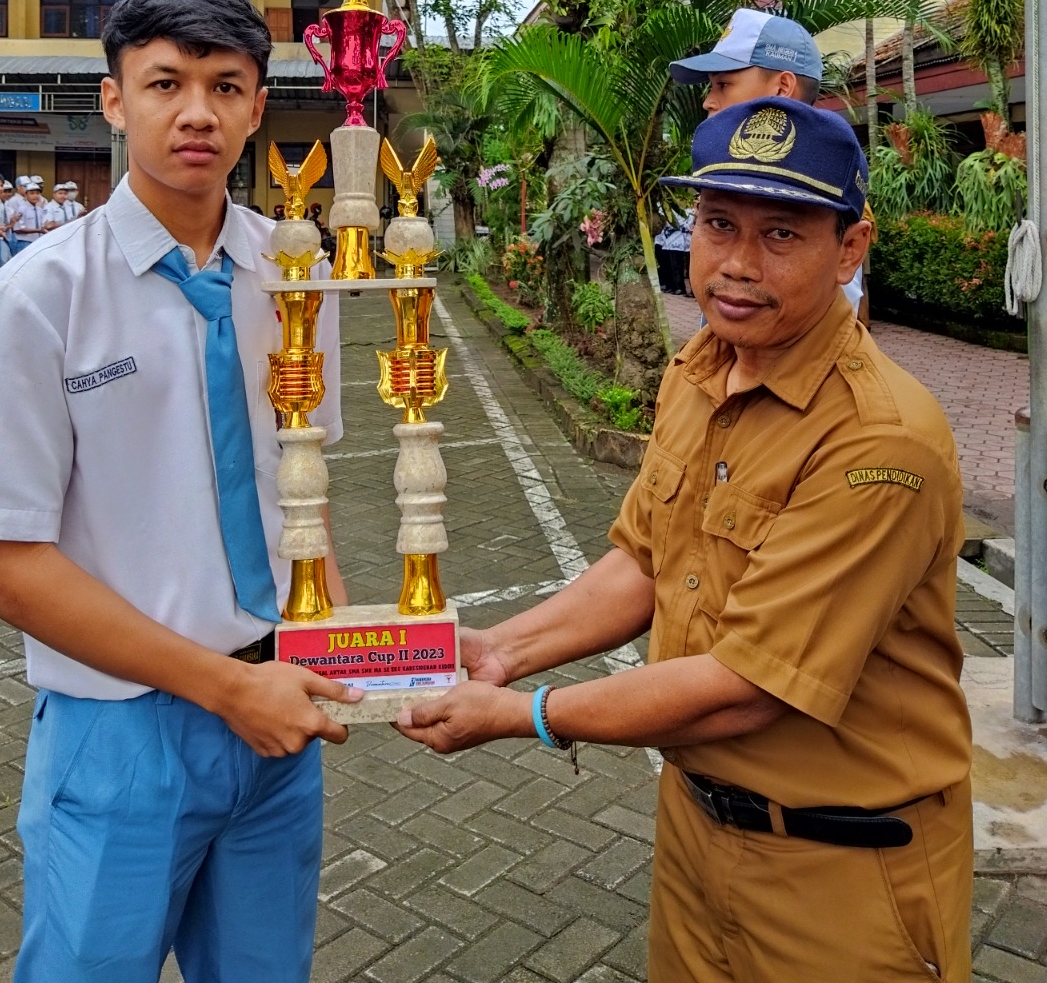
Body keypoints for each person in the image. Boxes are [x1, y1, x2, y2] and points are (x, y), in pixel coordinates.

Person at [395, 97, 971, 983]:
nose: (736, 265)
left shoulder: (877, 441)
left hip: (844, 873)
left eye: (783, 235)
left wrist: (526, 715)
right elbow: (645, 562)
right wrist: (499, 650)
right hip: (695, 836)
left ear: (851, 248)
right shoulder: (701, 369)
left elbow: (746, 690)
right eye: (717, 224)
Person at [0, 0, 359, 983]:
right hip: (121, 728)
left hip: (274, 718)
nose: (197, 111)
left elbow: (302, 492)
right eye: (165, 83)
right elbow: (6, 568)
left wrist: (362, 649)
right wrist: (223, 687)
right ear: (115, 100)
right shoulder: (33, 299)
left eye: (226, 84)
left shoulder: (295, 276)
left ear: (259, 105)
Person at [669, 8, 871, 323]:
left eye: (723, 84)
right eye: (720, 222)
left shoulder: (830, 188)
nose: (707, 100)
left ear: (781, 88)